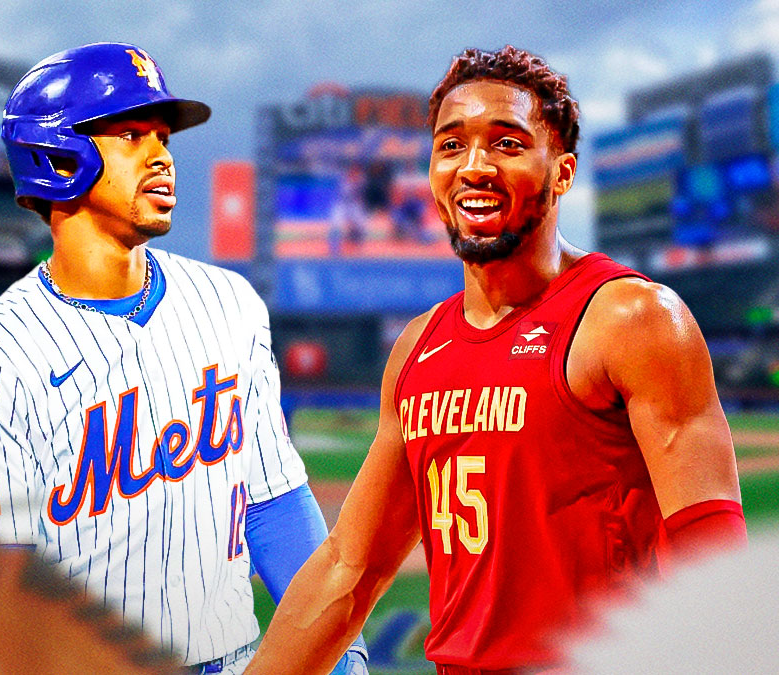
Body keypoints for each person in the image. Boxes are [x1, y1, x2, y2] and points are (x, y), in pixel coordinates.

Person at [246, 46, 747, 674]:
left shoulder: (630, 318)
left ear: (562, 173)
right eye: (451, 145)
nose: (473, 166)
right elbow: (352, 566)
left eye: (507, 144)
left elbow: (715, 555)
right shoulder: (418, 347)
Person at [0, 42, 366, 675]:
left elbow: (275, 503)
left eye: (163, 137)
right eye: (133, 135)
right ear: (58, 156)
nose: (163, 156)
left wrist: (342, 656)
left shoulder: (229, 304)